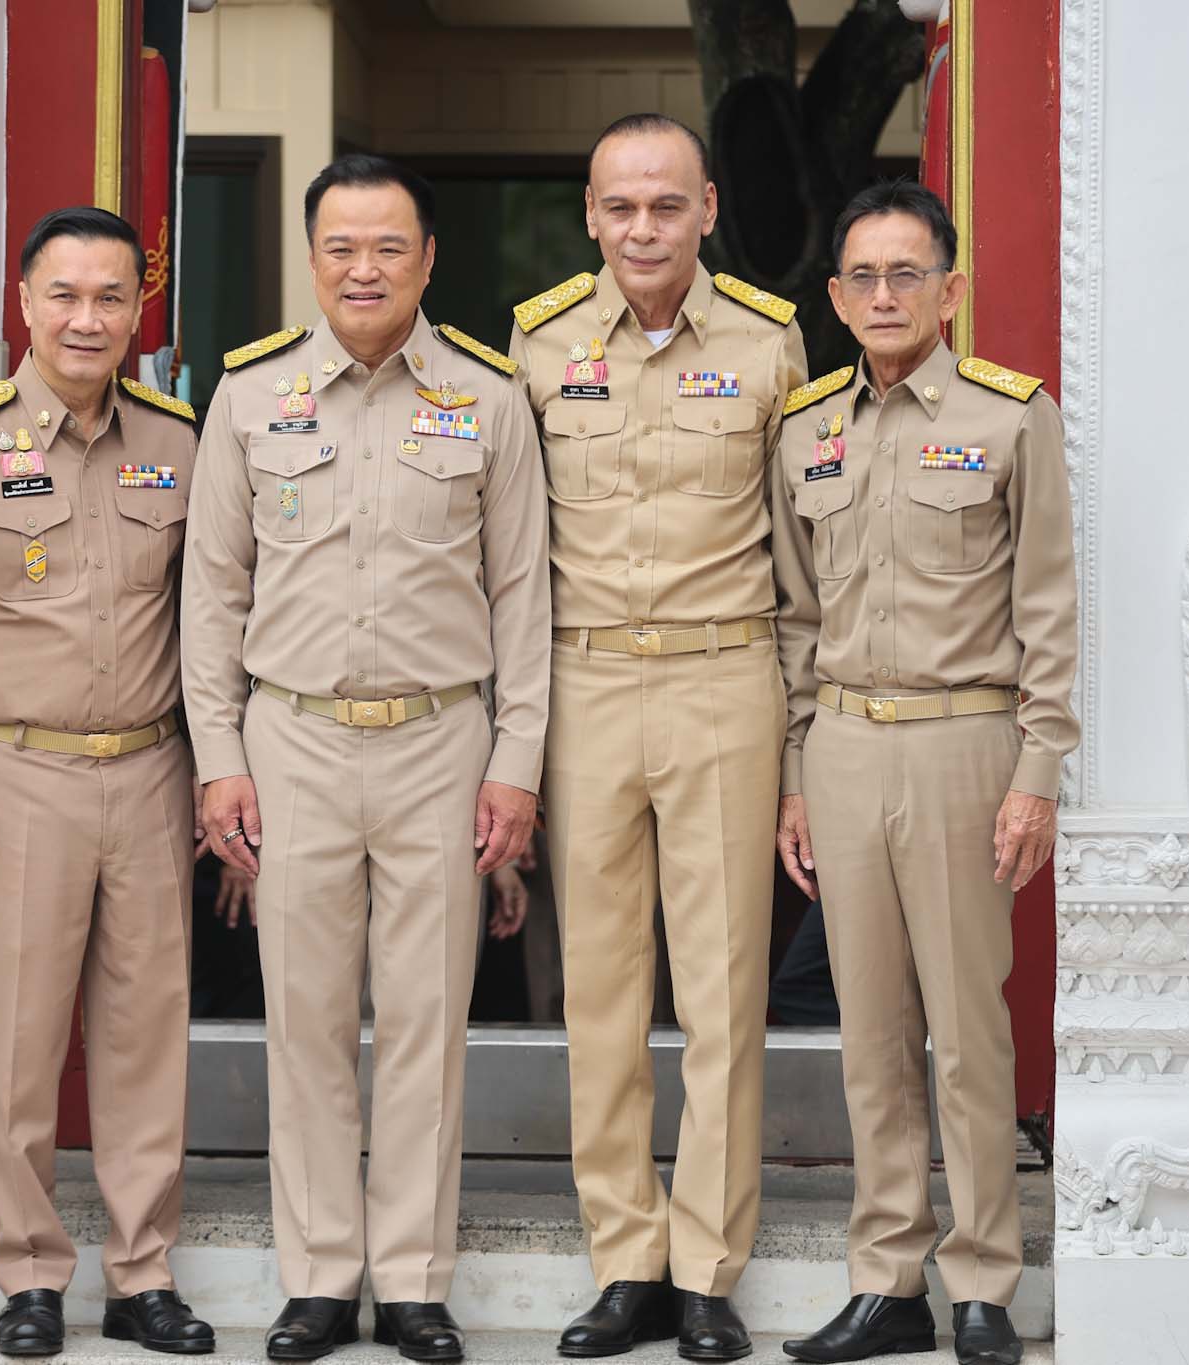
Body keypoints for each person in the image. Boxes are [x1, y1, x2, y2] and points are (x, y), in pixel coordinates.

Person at [184, 153, 551, 1364]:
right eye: (340, 246)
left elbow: (521, 601)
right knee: (302, 1022)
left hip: (441, 742)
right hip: (288, 740)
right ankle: (318, 1277)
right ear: (310, 257)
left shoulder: (488, 399)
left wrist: (515, 764)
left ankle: (412, 1278)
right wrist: (219, 756)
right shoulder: (249, 397)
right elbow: (212, 592)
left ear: (428, 259)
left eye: (388, 246)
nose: (363, 267)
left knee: (424, 1024)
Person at [508, 113, 808, 1363]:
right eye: (620, 208)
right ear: (589, 214)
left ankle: (707, 1268)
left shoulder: (770, 342)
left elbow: (802, 559)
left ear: (707, 210)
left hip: (723, 684)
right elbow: (510, 564)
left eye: (665, 207)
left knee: (726, 989)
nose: (642, 229)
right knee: (601, 996)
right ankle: (624, 1258)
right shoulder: (532, 346)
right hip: (581, 690)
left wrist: (796, 754)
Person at [0, 206, 215, 1358]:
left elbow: (212, 622)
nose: (88, 318)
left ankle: (142, 1275)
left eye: (111, 297)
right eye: (65, 296)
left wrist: (213, 777)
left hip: (149, 773)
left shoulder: (180, 440)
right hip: (12, 774)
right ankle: (28, 1276)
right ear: (25, 306)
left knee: (144, 1036)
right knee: (23, 1043)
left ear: (140, 310)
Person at [769, 180, 1077, 1365]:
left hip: (966, 742)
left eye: (908, 274)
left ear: (948, 290)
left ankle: (984, 1280)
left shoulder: (1009, 417)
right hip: (842, 745)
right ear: (837, 296)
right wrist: (798, 773)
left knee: (965, 1028)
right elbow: (796, 617)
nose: (884, 294)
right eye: (863, 276)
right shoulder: (803, 431)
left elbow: (1045, 603)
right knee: (869, 1034)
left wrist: (1036, 769)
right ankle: (885, 1278)